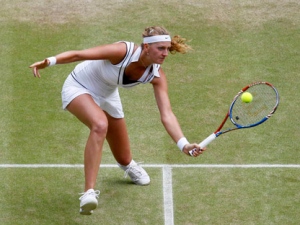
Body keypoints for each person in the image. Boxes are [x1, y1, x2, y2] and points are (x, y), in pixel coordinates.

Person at [29, 26, 205, 215]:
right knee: (100, 124)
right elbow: (80, 55)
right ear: (146, 47)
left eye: (167, 48)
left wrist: (184, 144)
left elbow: (167, 114)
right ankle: (88, 193)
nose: (165, 54)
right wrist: (50, 61)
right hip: (79, 86)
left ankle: (128, 166)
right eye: (160, 48)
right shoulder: (122, 51)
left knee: (123, 157)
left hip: (108, 94)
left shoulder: (157, 75)